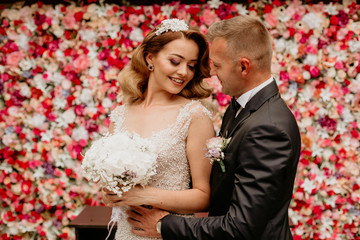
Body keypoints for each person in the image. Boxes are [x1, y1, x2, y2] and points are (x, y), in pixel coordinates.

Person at [126, 15, 301, 240]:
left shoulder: (268, 128)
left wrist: (163, 225)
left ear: (244, 67)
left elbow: (241, 227)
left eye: (217, 65)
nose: (210, 73)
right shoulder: (240, 107)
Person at [101, 19, 215, 240]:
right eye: (175, 61)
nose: (184, 72)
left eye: (191, 66)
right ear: (150, 57)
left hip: (169, 234)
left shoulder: (194, 116)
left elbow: (204, 196)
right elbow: (114, 184)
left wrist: (141, 195)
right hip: (126, 233)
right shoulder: (120, 115)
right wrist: (110, 193)